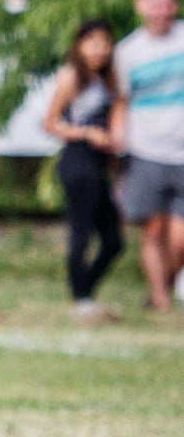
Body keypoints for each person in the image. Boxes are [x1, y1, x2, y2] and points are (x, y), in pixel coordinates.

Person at [42, 18, 123, 322]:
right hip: (78, 161)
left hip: (99, 164)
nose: (99, 49)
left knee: (113, 241)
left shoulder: (107, 80)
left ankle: (85, 291)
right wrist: (87, 134)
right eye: (92, 42)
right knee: (82, 232)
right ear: (79, 45)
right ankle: (81, 299)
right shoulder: (71, 76)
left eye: (105, 42)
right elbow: (50, 123)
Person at [111, 0, 184, 312]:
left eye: (168, 4)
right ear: (141, 6)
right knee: (153, 229)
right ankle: (159, 299)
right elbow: (121, 102)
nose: (162, 10)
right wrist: (118, 142)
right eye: (155, 4)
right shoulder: (127, 52)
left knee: (179, 237)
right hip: (146, 150)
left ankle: (167, 282)